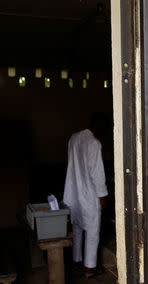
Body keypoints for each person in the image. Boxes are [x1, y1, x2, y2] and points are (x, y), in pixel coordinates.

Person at [63, 114, 108, 278]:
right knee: (92, 231)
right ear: (98, 126)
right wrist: (102, 196)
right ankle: (90, 268)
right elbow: (97, 172)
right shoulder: (94, 143)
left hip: (74, 193)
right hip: (89, 195)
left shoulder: (74, 138)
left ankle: (76, 260)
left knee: (77, 228)